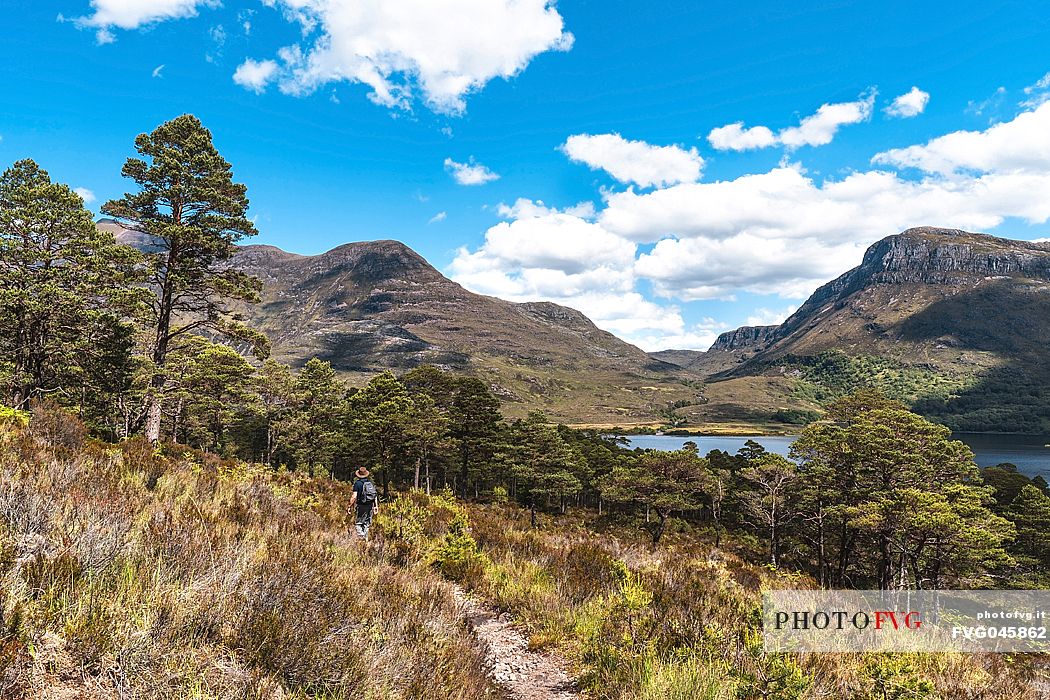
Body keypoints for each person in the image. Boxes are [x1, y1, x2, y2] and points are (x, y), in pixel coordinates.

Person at [348, 467, 379, 540]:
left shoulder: (357, 484)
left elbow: (354, 496)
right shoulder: (370, 483)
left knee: (359, 523)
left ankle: (361, 539)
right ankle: (365, 539)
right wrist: (376, 506)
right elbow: (374, 495)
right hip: (370, 505)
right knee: (366, 523)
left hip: (361, 505)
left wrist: (349, 506)